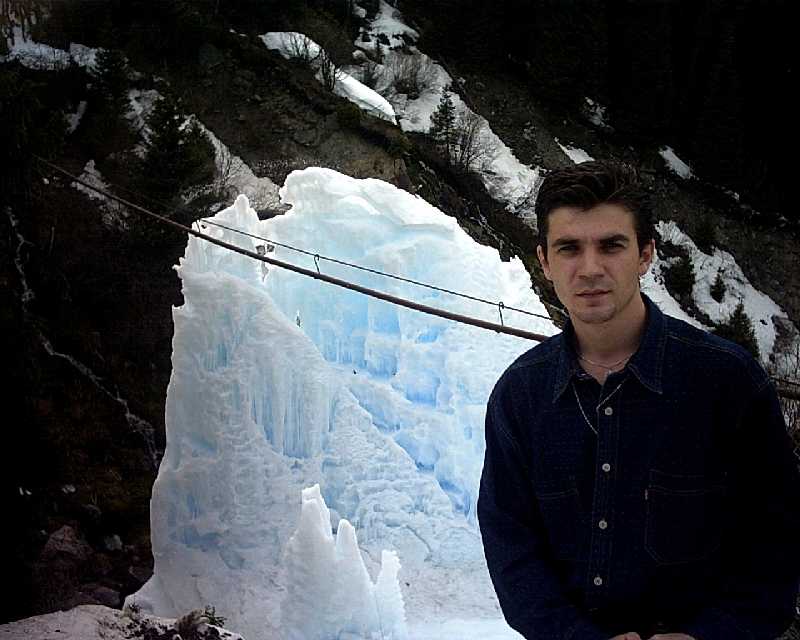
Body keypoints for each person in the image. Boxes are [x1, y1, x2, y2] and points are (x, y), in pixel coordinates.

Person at [477, 161, 800, 640]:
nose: (590, 268)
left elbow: (777, 539)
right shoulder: (521, 394)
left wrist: (710, 634)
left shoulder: (726, 382)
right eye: (569, 248)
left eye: (611, 245)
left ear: (645, 254)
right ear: (544, 261)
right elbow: (511, 544)